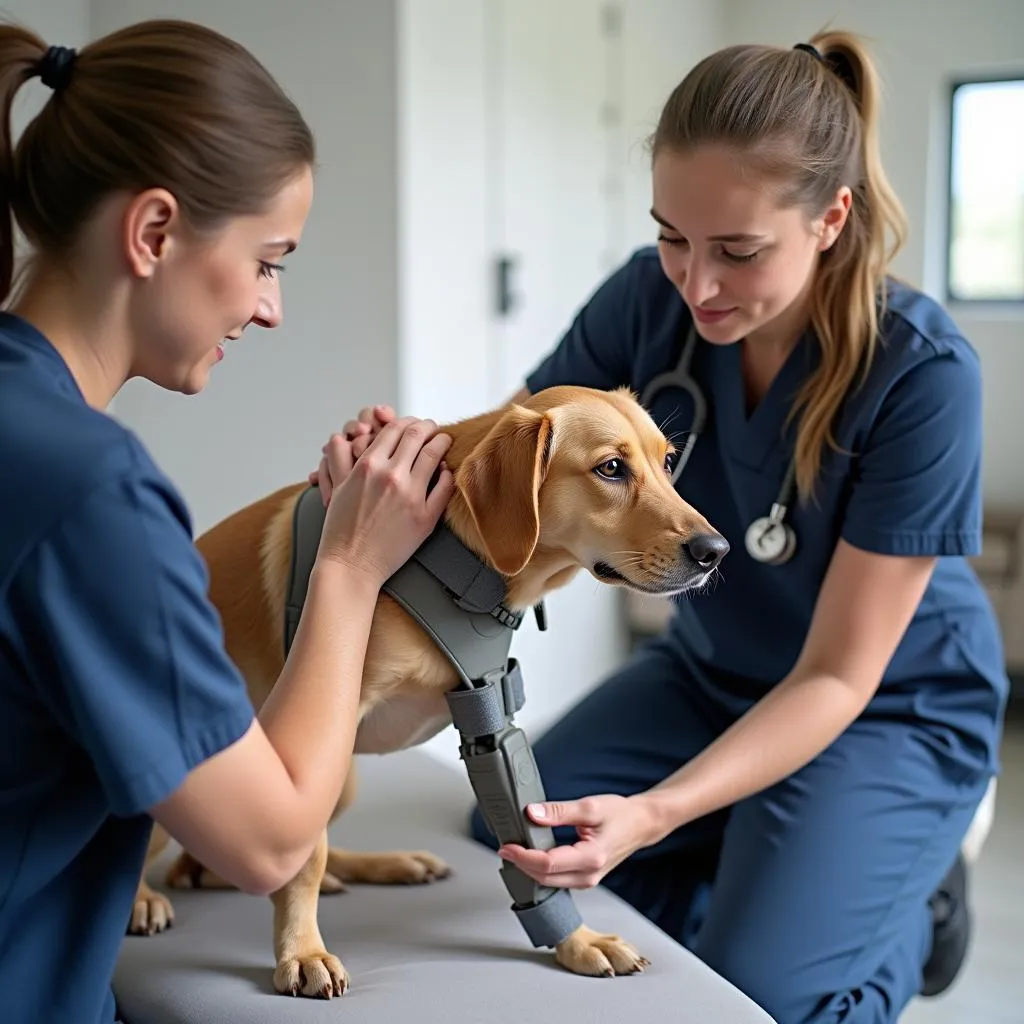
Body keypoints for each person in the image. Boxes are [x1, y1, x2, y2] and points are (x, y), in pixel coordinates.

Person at [321, 29, 1008, 1024]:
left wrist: (654, 811)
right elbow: (501, 459)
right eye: (671, 237)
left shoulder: (922, 376)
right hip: (712, 673)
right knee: (518, 835)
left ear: (830, 219)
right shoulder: (649, 300)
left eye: (736, 250)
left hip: (887, 706)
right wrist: (395, 459)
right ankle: (761, 865)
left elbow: (836, 677)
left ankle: (914, 909)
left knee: (765, 992)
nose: (696, 284)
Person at [0, 19, 455, 1024]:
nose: (270, 305)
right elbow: (269, 842)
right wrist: (346, 565)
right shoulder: (90, 489)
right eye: (268, 259)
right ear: (154, 233)